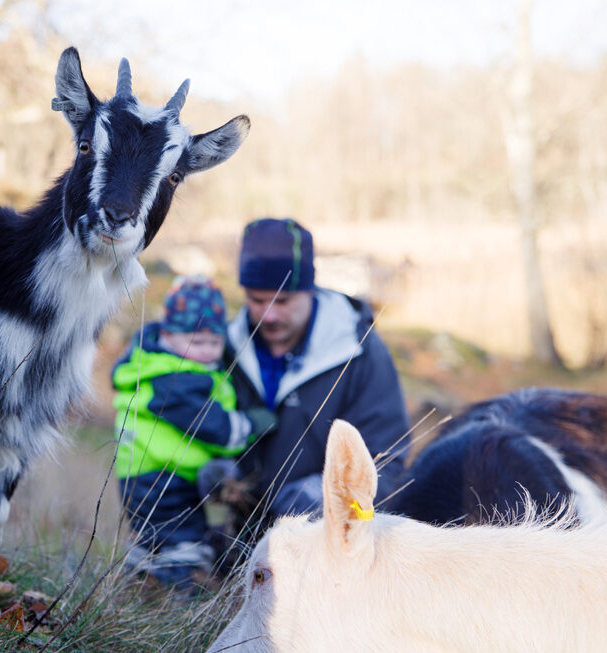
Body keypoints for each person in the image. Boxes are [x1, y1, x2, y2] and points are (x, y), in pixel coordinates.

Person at [225, 217, 410, 525]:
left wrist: (324, 498)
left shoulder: (357, 348)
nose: (269, 315)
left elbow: (387, 453)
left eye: (283, 301)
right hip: (241, 541)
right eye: (257, 300)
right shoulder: (225, 348)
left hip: (324, 540)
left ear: (310, 289)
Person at [112, 276, 276, 590]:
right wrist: (252, 424)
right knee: (183, 540)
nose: (205, 351)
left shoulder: (182, 368)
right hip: (159, 478)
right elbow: (212, 425)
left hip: (162, 473)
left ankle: (139, 575)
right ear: (168, 335)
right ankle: (183, 592)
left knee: (157, 537)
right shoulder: (172, 380)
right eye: (196, 342)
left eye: (214, 343)